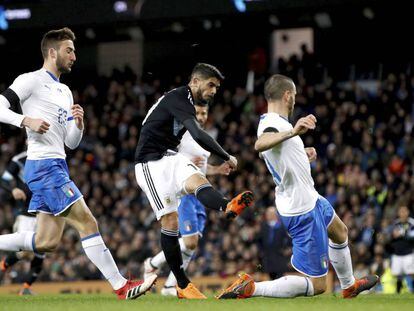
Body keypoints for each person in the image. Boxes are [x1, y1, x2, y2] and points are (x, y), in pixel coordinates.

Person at [0, 27, 156, 300]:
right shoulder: (30, 80)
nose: (74, 56)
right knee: (87, 222)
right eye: (69, 50)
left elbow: (71, 143)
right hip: (44, 167)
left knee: (46, 243)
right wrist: (25, 120)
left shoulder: (65, 91)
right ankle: (121, 286)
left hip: (57, 164)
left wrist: (79, 125)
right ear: (52, 52)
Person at [217, 74, 378, 300]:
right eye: (294, 96)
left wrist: (302, 154)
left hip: (310, 197)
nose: (294, 100)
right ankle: (252, 288)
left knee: (340, 232)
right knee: (319, 285)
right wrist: (294, 131)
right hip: (301, 207)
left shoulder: (277, 123)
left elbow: (276, 156)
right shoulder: (272, 123)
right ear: (287, 95)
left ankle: (349, 285)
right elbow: (260, 144)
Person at [134, 63, 254, 299]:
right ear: (195, 81)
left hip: (170, 156)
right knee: (170, 221)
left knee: (196, 179)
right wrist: (227, 155)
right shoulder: (178, 97)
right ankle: (181, 284)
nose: (214, 91)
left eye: (217, 87)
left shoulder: (187, 103)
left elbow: (196, 135)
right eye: (211, 85)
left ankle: (226, 205)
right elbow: (198, 135)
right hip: (149, 163)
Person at [143, 102, 231, 296]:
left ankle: (170, 287)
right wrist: (185, 164)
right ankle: (152, 263)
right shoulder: (181, 134)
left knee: (193, 243)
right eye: (198, 112)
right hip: (184, 194)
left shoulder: (202, 138)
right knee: (189, 242)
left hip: (200, 195)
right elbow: (169, 158)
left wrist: (217, 170)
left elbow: (201, 169)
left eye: (204, 113)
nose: (201, 116)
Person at [0, 150, 45, 295]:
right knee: (25, 253)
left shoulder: (49, 157)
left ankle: (26, 288)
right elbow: (4, 179)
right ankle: (2, 266)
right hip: (26, 213)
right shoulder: (19, 160)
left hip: (45, 213)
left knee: (42, 250)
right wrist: (13, 189)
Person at [257, 206, 291, 280]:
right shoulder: (264, 226)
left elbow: (289, 240)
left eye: (269, 213)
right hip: (268, 256)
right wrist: (261, 251)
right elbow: (259, 240)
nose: (267, 215)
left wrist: (288, 249)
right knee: (270, 277)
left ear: (274, 214)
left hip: (279, 255)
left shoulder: (282, 226)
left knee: (280, 277)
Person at [390, 205, 414, 293]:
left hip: (408, 253)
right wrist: (392, 235)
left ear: (408, 212)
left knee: (411, 273)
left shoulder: (412, 223)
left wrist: (402, 234)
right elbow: (392, 236)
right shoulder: (396, 223)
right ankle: (398, 292)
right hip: (397, 253)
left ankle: (412, 291)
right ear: (398, 213)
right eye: (401, 211)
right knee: (398, 275)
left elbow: (412, 236)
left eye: (404, 211)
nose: (403, 213)